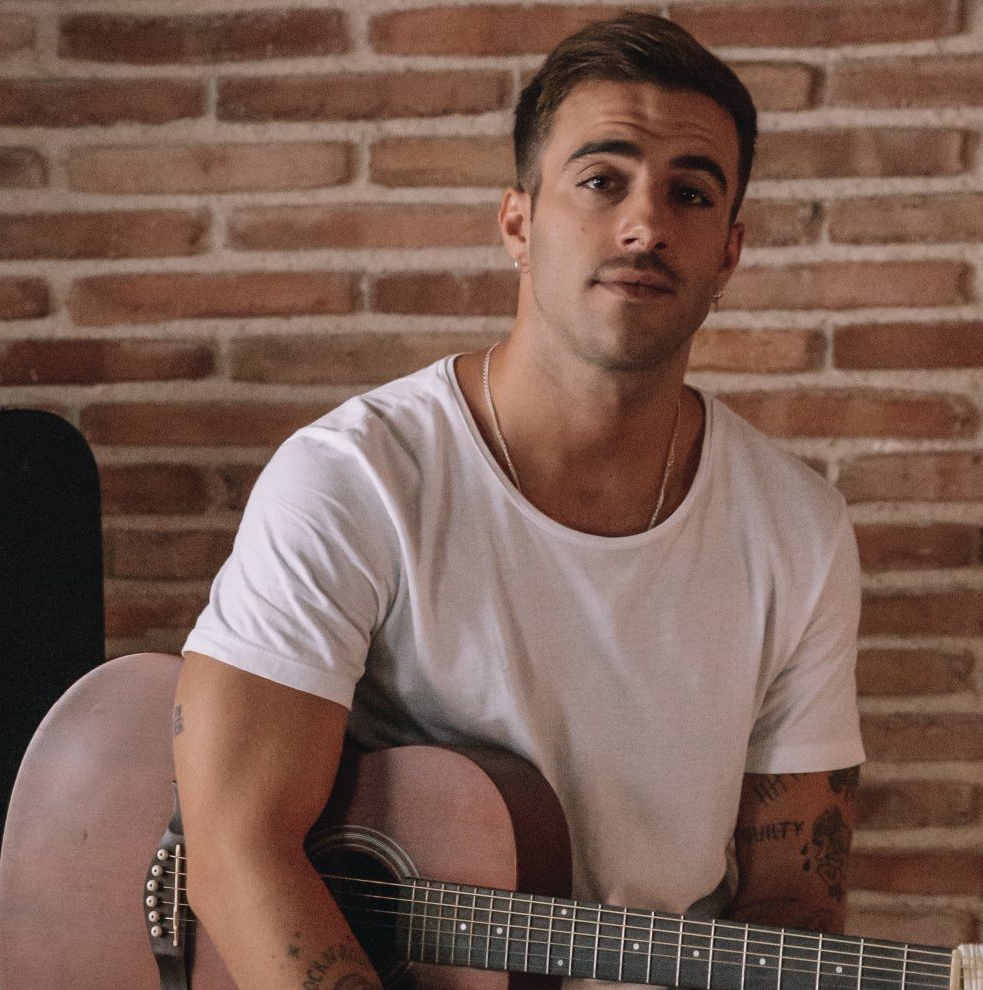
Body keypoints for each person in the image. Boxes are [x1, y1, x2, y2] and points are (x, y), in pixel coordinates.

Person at [171, 13, 865, 990]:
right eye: (601, 180)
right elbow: (235, 848)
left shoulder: (799, 529)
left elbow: (795, 905)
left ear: (728, 255)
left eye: (691, 193)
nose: (646, 225)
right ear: (517, 224)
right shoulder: (355, 478)